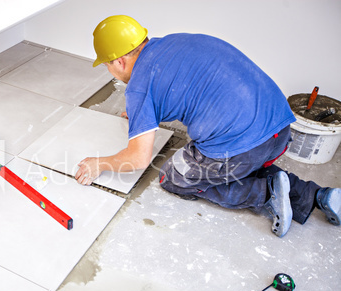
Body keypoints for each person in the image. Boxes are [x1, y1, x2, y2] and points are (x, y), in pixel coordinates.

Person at [75, 15, 341, 237]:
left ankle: (265, 194)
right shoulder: (176, 41)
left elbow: (138, 158)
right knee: (238, 160)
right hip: (279, 130)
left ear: (118, 61)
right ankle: (319, 196)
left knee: (174, 177)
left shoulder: (139, 88)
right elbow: (186, 89)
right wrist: (144, 115)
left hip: (244, 148)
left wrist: (100, 163)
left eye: (107, 65)